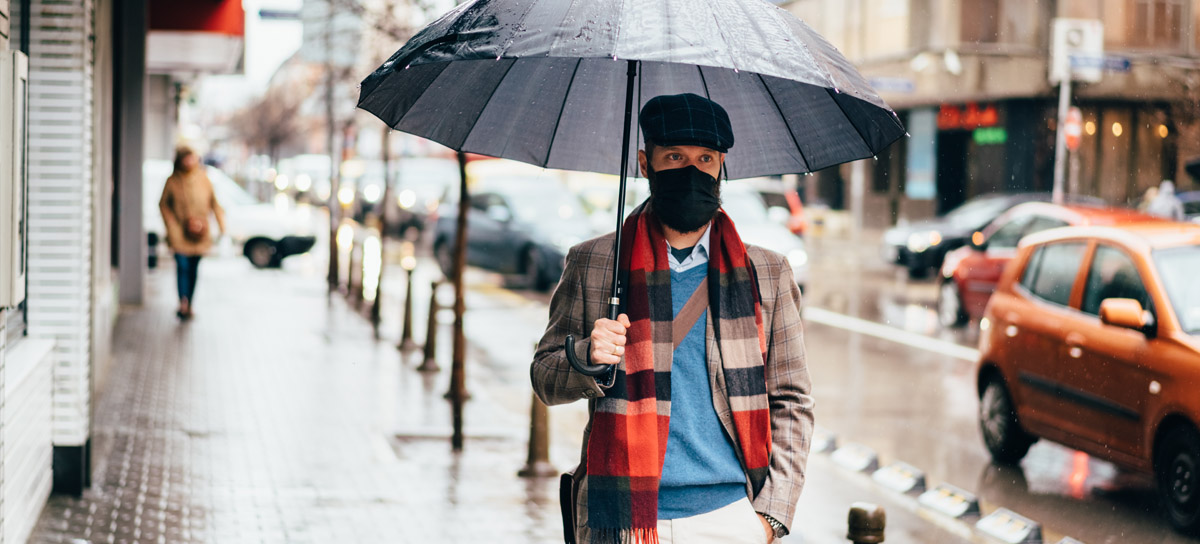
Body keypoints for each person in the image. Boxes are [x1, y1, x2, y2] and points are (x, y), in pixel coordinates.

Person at [532, 93, 813, 544]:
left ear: (722, 166)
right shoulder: (595, 262)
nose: (692, 171)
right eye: (675, 157)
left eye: (706, 158)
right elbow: (544, 378)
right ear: (646, 163)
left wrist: (772, 516)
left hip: (729, 518)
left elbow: (791, 400)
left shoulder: (769, 272)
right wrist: (587, 356)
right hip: (620, 516)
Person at [159, 146, 225, 319]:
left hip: (200, 233)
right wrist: (171, 225)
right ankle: (183, 302)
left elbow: (214, 204)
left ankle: (190, 302)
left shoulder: (204, 179)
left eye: (192, 158)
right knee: (182, 266)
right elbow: (163, 204)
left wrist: (222, 226)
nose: (190, 162)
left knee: (194, 269)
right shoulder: (172, 181)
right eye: (186, 158)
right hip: (179, 232)